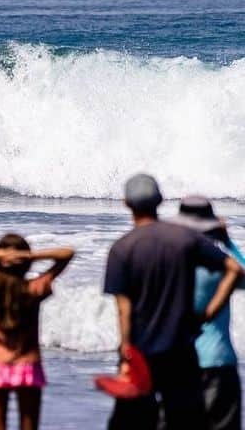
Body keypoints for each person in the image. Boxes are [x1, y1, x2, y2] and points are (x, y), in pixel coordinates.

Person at [104, 174, 241, 430]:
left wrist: (125, 350)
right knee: (186, 422)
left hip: (142, 352)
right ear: (160, 200)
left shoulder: (122, 248)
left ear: (125, 203)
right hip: (181, 351)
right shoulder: (184, 240)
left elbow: (124, 308)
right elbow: (234, 269)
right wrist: (209, 312)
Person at [0, 234, 74, 430]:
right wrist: (28, 255)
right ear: (25, 264)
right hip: (27, 366)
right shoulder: (34, 288)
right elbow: (67, 254)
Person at [170, 196, 245, 430]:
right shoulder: (221, 267)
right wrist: (228, 242)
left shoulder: (170, 264)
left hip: (177, 363)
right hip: (218, 362)